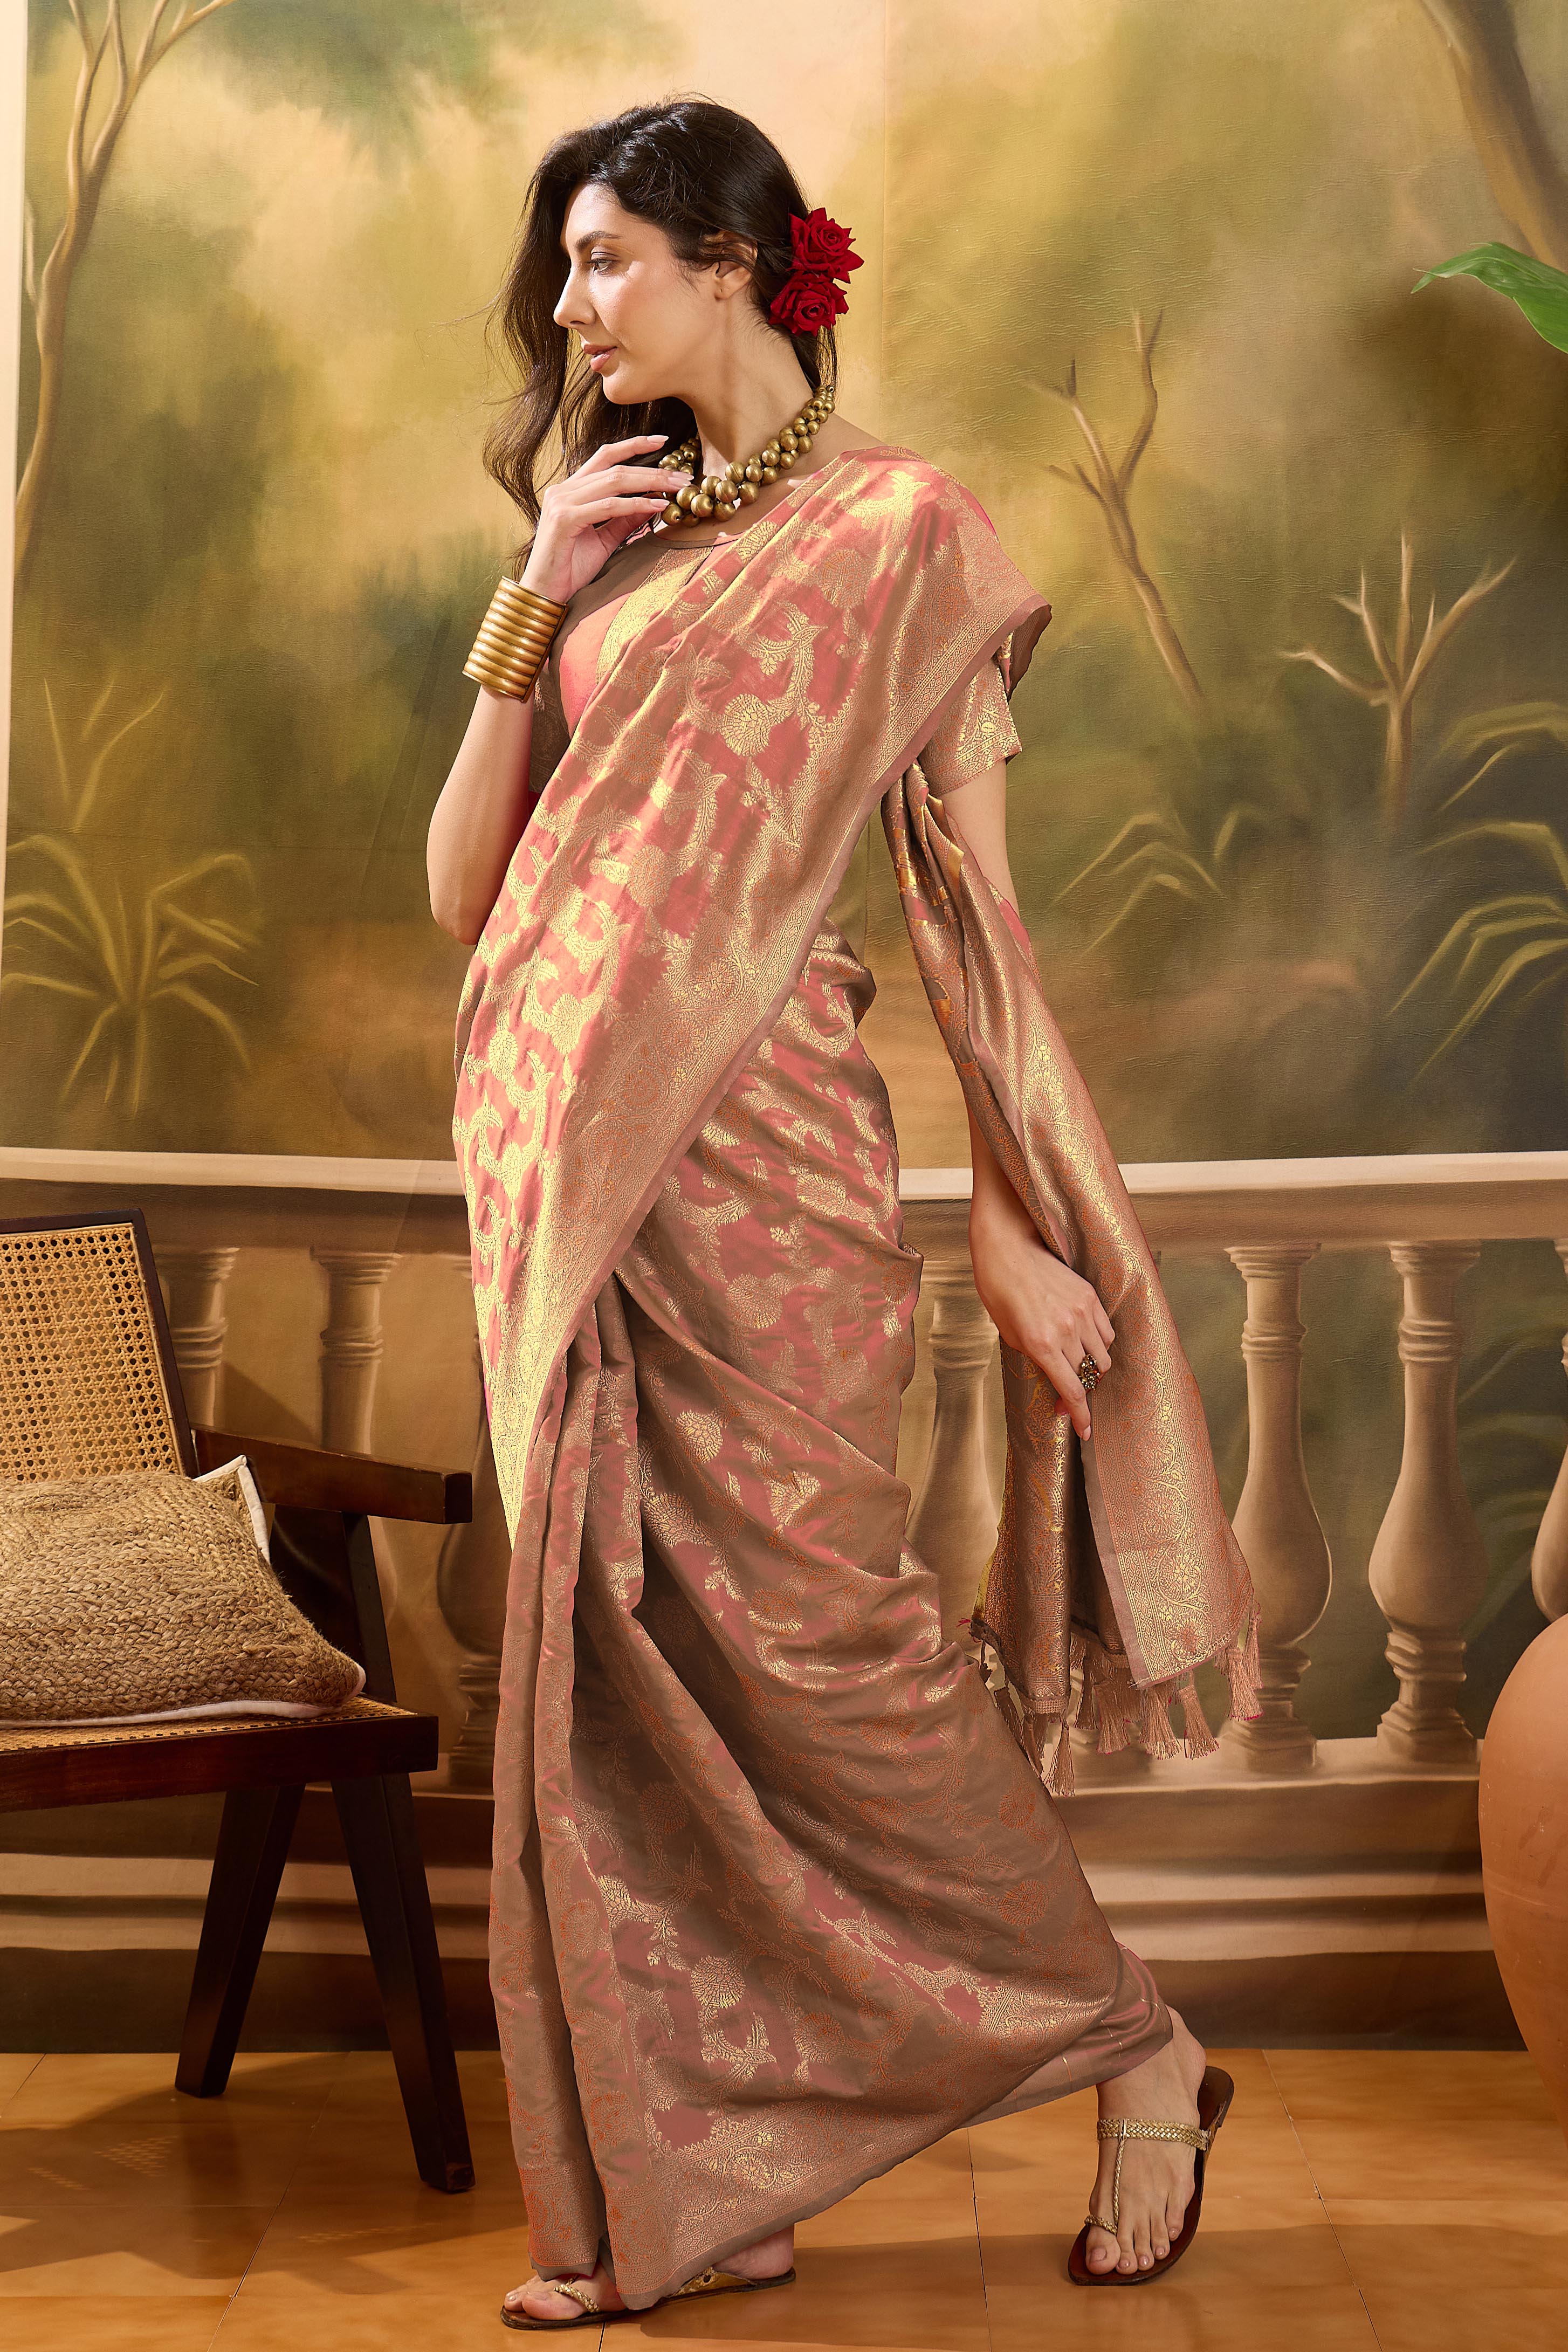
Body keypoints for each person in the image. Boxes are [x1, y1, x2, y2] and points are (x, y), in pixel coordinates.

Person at [427, 95, 1257, 2330]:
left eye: (605, 258)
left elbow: (972, 914)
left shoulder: (904, 530)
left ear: (733, 262)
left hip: (767, 1158)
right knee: (630, 1673)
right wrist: (534, 589)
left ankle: (1132, 2040)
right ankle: (717, 2170)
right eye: (567, 267)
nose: (570, 307)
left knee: (823, 1649)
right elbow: (464, 889)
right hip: (560, 1171)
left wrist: (1002, 1216)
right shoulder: (608, 540)